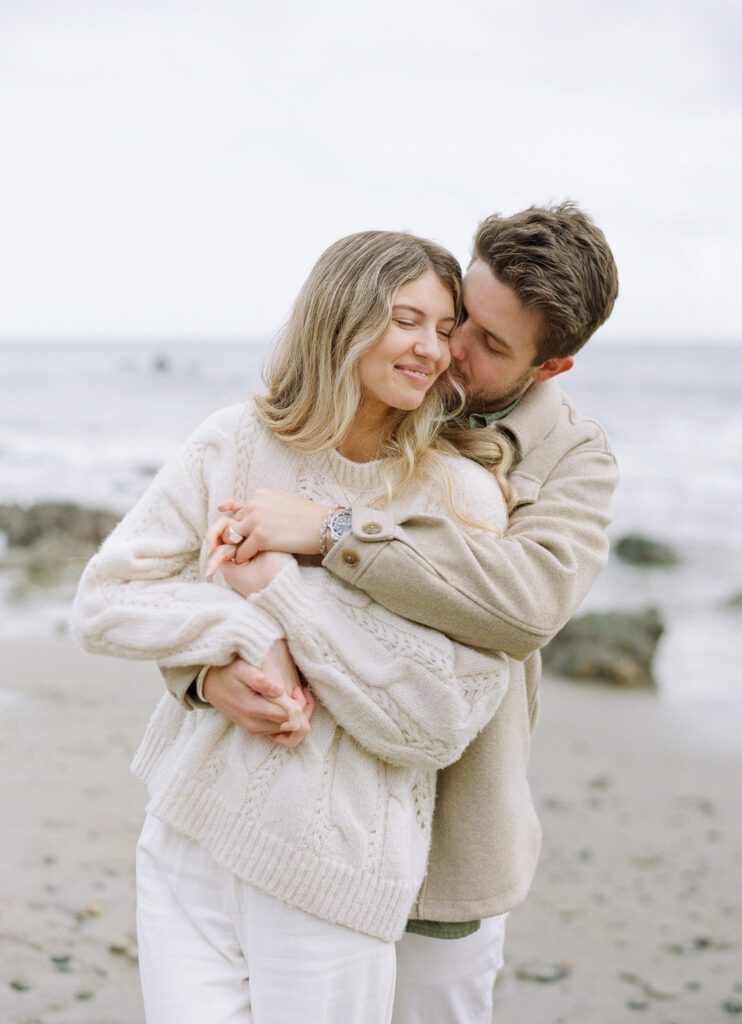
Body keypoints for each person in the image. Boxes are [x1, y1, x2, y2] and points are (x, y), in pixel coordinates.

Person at [162, 202, 620, 1023]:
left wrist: (340, 532)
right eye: (459, 317)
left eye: (491, 344)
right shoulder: (369, 383)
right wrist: (197, 673)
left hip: (447, 846)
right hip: (299, 817)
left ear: (550, 370)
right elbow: (207, 542)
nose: (450, 351)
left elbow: (527, 604)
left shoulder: (574, 456)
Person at [72, 230, 519, 1024]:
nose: (430, 348)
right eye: (405, 319)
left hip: (333, 876)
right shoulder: (234, 441)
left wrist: (282, 587)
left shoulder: (459, 500)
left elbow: (434, 723)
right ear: (341, 318)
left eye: (445, 328)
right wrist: (232, 648)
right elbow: (107, 599)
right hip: (187, 840)